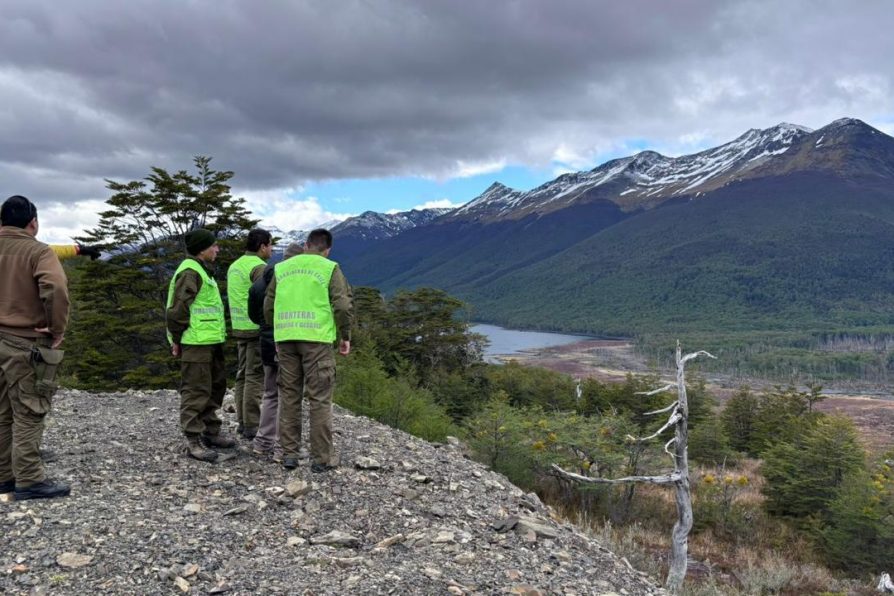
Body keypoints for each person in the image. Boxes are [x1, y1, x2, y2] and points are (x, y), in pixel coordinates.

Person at [0, 195, 71, 500]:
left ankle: (4, 475)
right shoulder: (38, 251)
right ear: (33, 222)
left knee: (2, 411)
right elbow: (54, 287)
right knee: (30, 410)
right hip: (25, 341)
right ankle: (29, 479)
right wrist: (56, 329)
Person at [264, 229, 352, 472]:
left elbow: (268, 305)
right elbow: (343, 306)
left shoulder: (282, 269)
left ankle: (289, 455)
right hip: (317, 341)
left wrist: (278, 330)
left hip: (286, 339)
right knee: (320, 399)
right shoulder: (329, 267)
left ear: (306, 245)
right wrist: (345, 335)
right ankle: (321, 459)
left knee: (289, 396)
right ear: (327, 249)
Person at [166, 228, 234, 462]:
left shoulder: (203, 271)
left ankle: (210, 431)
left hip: (209, 340)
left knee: (215, 387)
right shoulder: (190, 272)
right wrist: (177, 339)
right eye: (214, 246)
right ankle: (193, 441)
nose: (217, 249)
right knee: (196, 389)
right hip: (195, 342)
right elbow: (177, 310)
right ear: (203, 249)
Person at [248, 242, 303, 462]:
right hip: (287, 344)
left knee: (270, 393)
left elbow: (254, 315)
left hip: (266, 342)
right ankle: (283, 447)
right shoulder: (295, 282)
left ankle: (263, 442)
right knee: (289, 395)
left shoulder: (258, 284)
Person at [227, 229, 273, 440]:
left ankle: (242, 422)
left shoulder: (234, 265)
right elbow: (264, 297)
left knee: (242, 374)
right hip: (255, 328)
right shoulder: (259, 268)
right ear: (262, 246)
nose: (271, 249)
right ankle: (252, 425)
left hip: (239, 327)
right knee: (255, 376)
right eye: (270, 245)